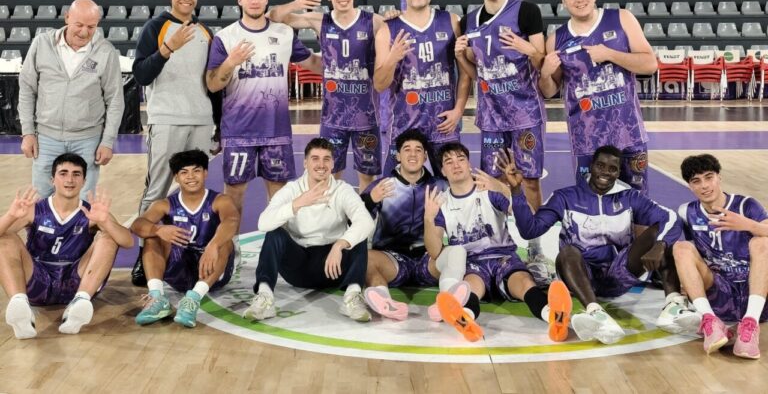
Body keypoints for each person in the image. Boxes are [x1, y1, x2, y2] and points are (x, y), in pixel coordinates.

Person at [507, 145, 693, 344]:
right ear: (591, 167)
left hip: (619, 273)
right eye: (600, 166)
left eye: (612, 169)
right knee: (568, 252)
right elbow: (530, 230)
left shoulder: (629, 197)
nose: (605, 172)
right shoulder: (566, 197)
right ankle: (596, 313)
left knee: (660, 235)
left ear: (619, 172)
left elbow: (671, 218)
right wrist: (517, 191)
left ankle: (673, 305)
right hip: (580, 274)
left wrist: (660, 245)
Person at [454, 0, 550, 283]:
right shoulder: (470, 20)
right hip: (491, 114)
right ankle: (497, 243)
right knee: (490, 182)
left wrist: (528, 49)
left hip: (525, 112)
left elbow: (542, 62)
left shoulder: (526, 11)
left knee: (530, 179)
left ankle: (535, 247)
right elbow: (474, 71)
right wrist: (459, 57)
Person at [423, 142, 573, 343]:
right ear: (442, 170)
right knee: (470, 287)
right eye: (448, 162)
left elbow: (525, 217)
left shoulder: (489, 189)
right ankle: (465, 318)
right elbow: (434, 251)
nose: (456, 165)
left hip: (504, 256)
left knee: (524, 283)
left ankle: (552, 316)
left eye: (461, 159)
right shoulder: (441, 202)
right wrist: (428, 219)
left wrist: (504, 188)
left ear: (469, 164)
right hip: (471, 262)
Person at [205, 0, 323, 215]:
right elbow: (213, 84)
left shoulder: (284, 33)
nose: (255, 1)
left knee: (279, 197)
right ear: (239, 0)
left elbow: (312, 62)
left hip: (276, 130)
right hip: (238, 131)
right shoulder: (225, 37)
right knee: (234, 195)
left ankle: (275, 250)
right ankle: (233, 248)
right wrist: (230, 62)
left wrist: (345, 61)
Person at [131, 0, 217, 286]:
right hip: (166, 117)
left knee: (195, 188)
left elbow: (212, 83)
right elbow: (140, 74)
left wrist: (218, 123)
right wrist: (167, 48)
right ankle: (145, 256)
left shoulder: (206, 32)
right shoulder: (155, 27)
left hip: (200, 119)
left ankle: (191, 252)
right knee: (157, 189)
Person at [269, 0, 385, 192]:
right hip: (333, 117)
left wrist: (391, 18)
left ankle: (366, 221)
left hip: (367, 116)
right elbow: (274, 17)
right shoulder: (319, 20)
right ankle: (334, 221)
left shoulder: (374, 21)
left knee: (367, 179)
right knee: (330, 176)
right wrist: (295, 4)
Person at [538, 0, 657, 194]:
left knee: (639, 203)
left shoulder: (621, 18)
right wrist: (545, 73)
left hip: (629, 134)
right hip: (586, 139)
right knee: (590, 205)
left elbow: (650, 64)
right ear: (564, 2)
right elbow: (549, 90)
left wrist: (610, 54)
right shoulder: (556, 39)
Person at [0, 153, 133, 339]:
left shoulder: (91, 212)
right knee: (5, 238)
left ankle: (80, 303)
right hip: (38, 280)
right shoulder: (33, 209)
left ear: (84, 180)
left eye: (76, 174)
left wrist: (106, 222)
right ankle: (20, 304)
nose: (70, 179)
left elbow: (128, 241)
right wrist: (10, 216)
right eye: (63, 173)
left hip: (76, 282)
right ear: (52, 179)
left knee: (109, 238)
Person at [243, 138, 374, 323]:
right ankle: (264, 298)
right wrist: (298, 204)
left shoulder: (342, 190)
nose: (321, 164)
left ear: (333, 163)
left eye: (326, 159)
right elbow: (262, 223)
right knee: (275, 233)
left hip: (333, 267)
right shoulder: (292, 189)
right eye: (315, 158)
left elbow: (366, 221)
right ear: (305, 162)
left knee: (357, 236)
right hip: (298, 266)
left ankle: (352, 297)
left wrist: (340, 245)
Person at [18, 0, 124, 199]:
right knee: (39, 200)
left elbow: (115, 100)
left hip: (88, 141)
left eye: (91, 27)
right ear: (67, 17)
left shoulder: (106, 52)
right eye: (79, 25)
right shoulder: (42, 44)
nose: (84, 32)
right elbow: (26, 89)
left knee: (84, 203)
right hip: (46, 139)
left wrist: (108, 141)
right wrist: (27, 132)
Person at [360, 128, 468, 321]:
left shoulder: (440, 186)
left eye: (418, 150)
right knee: (365, 257)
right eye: (407, 149)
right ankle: (384, 300)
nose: (413, 154)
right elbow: (354, 220)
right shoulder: (383, 186)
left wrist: (499, 186)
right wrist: (370, 200)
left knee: (457, 251)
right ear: (398, 156)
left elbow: (470, 192)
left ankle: (447, 301)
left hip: (428, 259)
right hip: (391, 260)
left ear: (425, 156)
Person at [374, 0, 470, 177]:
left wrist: (459, 110)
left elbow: (465, 72)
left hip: (443, 126)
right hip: (404, 128)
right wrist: (393, 57)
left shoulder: (451, 21)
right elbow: (380, 84)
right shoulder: (388, 29)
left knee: (453, 189)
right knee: (393, 194)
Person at [131, 149, 239, 328]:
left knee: (224, 243)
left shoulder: (220, 200)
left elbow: (232, 221)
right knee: (152, 237)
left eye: (196, 171)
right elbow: (137, 225)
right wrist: (158, 229)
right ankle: (157, 299)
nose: (191, 177)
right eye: (184, 172)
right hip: (178, 268)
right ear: (176, 177)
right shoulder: (165, 204)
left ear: (205, 173)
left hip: (211, 268)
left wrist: (213, 245)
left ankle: (193, 299)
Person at [673, 154, 768, 358]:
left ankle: (750, 323)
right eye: (696, 181)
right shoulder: (686, 212)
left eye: (709, 177)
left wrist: (748, 225)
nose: (704, 186)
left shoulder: (746, 206)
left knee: (763, 241)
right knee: (681, 248)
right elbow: (689, 254)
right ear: (690, 186)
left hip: (755, 289)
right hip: (719, 290)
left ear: (719, 178)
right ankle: (709, 320)